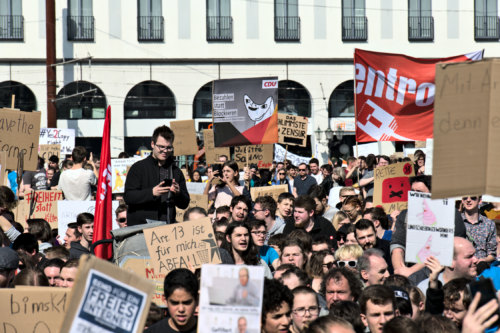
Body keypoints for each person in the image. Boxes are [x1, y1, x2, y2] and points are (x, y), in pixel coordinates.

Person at [125, 125, 190, 225]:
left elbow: (184, 204)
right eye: (161, 147)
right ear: (152, 144)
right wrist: (151, 193)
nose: (165, 150)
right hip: (141, 229)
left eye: (169, 148)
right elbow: (128, 197)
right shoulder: (138, 168)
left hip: (166, 228)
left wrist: (178, 193)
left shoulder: (176, 171)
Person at [460, 195, 496, 263]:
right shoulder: (456, 221)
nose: (468, 200)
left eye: (473, 197)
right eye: (465, 198)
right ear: (462, 200)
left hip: (481, 268)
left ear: (480, 201)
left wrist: (483, 260)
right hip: (461, 268)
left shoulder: (489, 224)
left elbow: (492, 253)